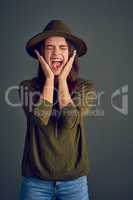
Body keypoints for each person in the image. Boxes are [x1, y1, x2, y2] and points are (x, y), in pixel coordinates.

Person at [18, 19, 96, 200]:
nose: (55, 53)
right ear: (41, 55)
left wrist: (61, 80)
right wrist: (49, 80)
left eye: (62, 48)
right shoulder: (27, 87)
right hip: (35, 181)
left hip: (74, 182)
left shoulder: (86, 87)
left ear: (70, 54)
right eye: (49, 48)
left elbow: (70, 121)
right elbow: (40, 118)